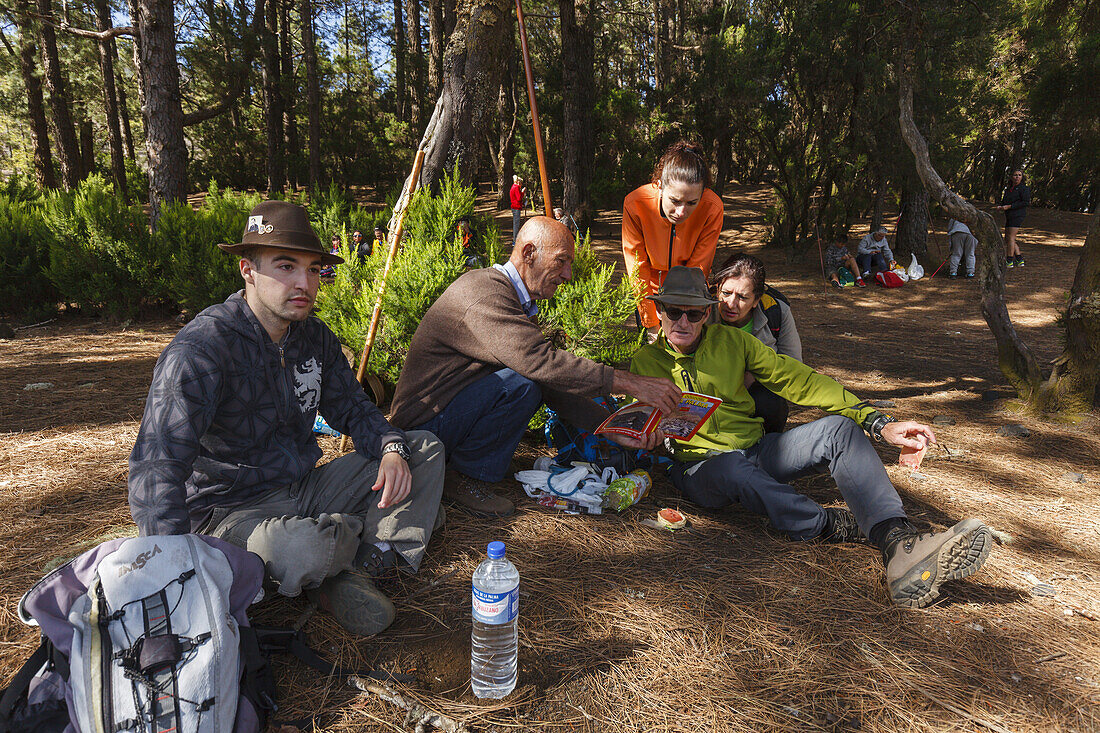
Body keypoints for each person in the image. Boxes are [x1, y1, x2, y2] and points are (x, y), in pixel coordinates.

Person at [128, 200, 446, 637]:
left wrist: (391, 449)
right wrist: (172, 565)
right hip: (230, 510)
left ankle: (370, 566)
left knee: (422, 448)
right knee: (302, 547)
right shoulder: (202, 351)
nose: (304, 283)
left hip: (305, 486)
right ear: (247, 270)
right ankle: (363, 538)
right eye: (285, 266)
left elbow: (353, 409)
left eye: (313, 269)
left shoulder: (313, 337)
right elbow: (156, 465)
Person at [629, 266, 993, 608]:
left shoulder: (733, 342)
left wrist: (879, 422)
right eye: (674, 311)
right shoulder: (644, 363)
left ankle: (896, 543)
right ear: (659, 311)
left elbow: (800, 380)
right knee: (733, 469)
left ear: (706, 314)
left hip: (757, 450)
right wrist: (646, 438)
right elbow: (636, 423)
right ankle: (827, 523)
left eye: (693, 313)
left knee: (839, 429)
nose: (683, 321)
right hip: (701, 468)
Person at [389, 216, 680, 517]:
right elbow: (540, 364)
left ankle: (467, 465)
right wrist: (631, 383)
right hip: (417, 434)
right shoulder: (485, 293)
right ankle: (463, 477)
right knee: (520, 384)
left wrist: (609, 427)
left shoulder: (514, 299)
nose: (568, 275)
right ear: (529, 254)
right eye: (562, 261)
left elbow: (547, 381)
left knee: (526, 381)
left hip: (442, 420)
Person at [622, 140, 724, 340]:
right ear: (659, 185)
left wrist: (682, 313)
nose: (681, 212)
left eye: (692, 203)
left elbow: (698, 268)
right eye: (675, 201)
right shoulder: (636, 204)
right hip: (648, 294)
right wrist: (651, 322)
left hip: (689, 296)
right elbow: (637, 268)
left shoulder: (712, 207)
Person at [711, 254, 801, 433]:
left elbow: (794, 365)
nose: (731, 304)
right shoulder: (700, 312)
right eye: (726, 293)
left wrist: (755, 375)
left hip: (756, 394)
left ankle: (767, 448)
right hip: (710, 393)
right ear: (717, 289)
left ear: (756, 301)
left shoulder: (776, 311)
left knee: (771, 403)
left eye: (742, 297)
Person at [997, 169, 1030, 268]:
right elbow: (1005, 201)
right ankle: (1019, 259)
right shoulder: (1008, 189)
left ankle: (1009, 260)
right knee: (1008, 238)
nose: (1017, 177)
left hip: (1018, 215)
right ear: (1011, 177)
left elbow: (1025, 202)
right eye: (1015, 175)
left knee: (1011, 237)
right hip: (1009, 215)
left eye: (1019, 175)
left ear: (1022, 177)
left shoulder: (1024, 189)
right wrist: (1001, 207)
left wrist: (1010, 206)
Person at [510, 175, 526, 244]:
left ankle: (515, 238)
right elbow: (519, 198)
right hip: (516, 207)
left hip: (514, 206)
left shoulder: (513, 186)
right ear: (519, 182)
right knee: (516, 224)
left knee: (516, 223)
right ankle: (515, 240)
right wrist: (522, 192)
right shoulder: (516, 188)